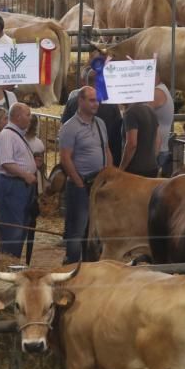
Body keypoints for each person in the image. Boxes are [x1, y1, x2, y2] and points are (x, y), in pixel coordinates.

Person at [58, 86, 112, 263]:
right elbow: (65, 158)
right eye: (91, 100)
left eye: (97, 100)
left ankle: (90, 265)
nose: (96, 104)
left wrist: (110, 174)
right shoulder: (70, 127)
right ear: (80, 101)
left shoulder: (100, 123)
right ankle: (72, 264)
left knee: (95, 228)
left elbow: (106, 150)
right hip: (81, 183)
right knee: (78, 228)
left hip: (99, 183)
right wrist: (78, 182)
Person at [0, 103, 38, 259]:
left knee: (20, 227)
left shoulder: (16, 134)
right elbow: (7, 162)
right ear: (17, 116)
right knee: (14, 229)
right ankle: (9, 263)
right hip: (12, 186)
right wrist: (26, 175)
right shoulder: (7, 135)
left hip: (20, 186)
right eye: (28, 115)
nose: (30, 118)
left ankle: (14, 262)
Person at [63, 67, 123, 165]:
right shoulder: (111, 105)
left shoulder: (71, 102)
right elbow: (117, 136)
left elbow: (63, 130)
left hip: (77, 161)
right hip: (104, 161)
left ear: (86, 82)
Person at [119, 102, 160, 178]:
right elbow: (158, 140)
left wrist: (121, 169)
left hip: (135, 171)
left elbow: (132, 144)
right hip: (152, 167)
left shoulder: (130, 113)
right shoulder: (150, 110)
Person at [150, 71, 175, 176]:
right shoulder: (162, 89)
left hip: (157, 149)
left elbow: (140, 110)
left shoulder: (158, 92)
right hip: (160, 147)